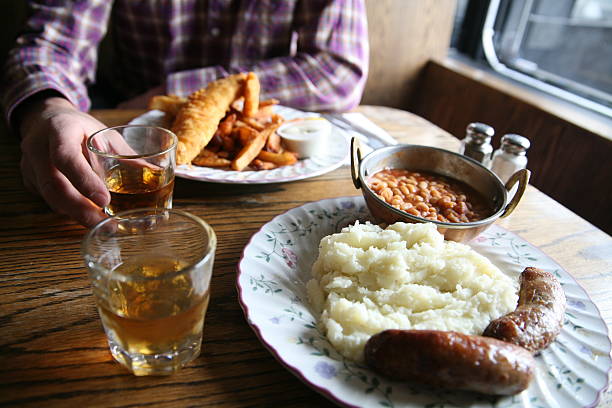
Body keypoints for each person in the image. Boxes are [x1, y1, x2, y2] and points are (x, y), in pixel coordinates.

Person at [2, 0, 369, 227]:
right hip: (126, 143)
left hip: (276, 206)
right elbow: (51, 43)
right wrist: (48, 108)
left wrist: (174, 89)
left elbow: (339, 70)